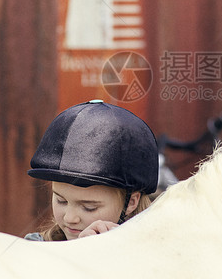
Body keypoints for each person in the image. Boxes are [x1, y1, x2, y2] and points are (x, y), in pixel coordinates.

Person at [24, 99, 158, 241]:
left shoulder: (161, 257)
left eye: (89, 207)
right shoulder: (36, 248)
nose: (70, 218)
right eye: (61, 200)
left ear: (131, 202)